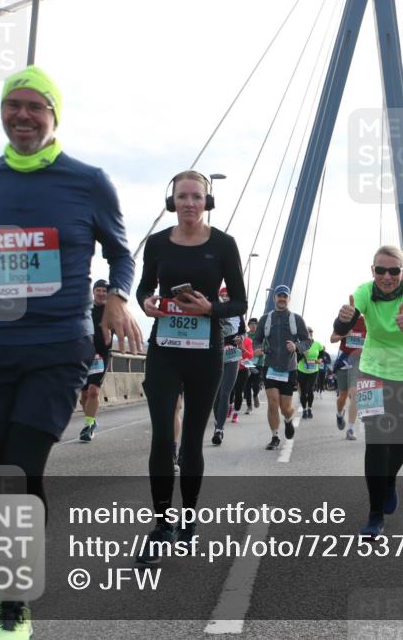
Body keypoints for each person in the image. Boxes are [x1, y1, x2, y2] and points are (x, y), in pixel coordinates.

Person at [0, 65, 143, 640]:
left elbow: (122, 254)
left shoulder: (88, 181)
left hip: (57, 348)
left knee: (20, 469)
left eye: (35, 107)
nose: (22, 115)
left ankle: (14, 601)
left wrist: (117, 299)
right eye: (12, 105)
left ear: (54, 116)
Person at [135, 169, 246, 561]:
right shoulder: (157, 243)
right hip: (164, 348)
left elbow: (239, 303)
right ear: (172, 201)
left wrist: (210, 308)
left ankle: (188, 519)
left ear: (207, 201)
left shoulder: (224, 245)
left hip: (205, 353)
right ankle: (161, 525)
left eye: (196, 197)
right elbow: (144, 287)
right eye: (182, 197)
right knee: (163, 438)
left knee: (192, 442)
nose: (188, 203)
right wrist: (146, 302)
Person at [334, 245, 403, 537]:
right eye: (380, 270)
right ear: (372, 271)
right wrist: (344, 317)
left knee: (402, 439)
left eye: (393, 271)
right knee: (376, 442)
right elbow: (340, 325)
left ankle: (389, 481)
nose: (386, 276)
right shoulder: (364, 291)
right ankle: (375, 515)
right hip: (373, 370)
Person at [251, 285, 311, 450]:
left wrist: (296, 346)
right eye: (279, 296)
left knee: (286, 408)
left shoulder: (296, 319)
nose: (282, 299)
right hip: (270, 367)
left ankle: (288, 420)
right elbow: (257, 339)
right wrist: (257, 348)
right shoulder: (265, 319)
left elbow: (307, 342)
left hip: (288, 368)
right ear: (274, 298)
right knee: (272, 402)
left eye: (285, 296)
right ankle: (275, 436)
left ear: (289, 299)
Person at [210, 286, 246, 445]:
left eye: (227, 295)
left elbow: (243, 332)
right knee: (215, 395)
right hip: (215, 355)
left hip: (232, 355)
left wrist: (241, 339)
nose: (224, 297)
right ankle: (218, 420)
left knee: (225, 392)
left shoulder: (238, 314)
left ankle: (219, 429)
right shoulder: (215, 310)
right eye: (222, 295)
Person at [79, 279, 112, 442]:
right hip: (83, 355)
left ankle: (89, 425)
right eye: (98, 290)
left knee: (93, 391)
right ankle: (91, 420)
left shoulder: (112, 310)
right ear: (93, 292)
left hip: (101, 355)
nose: (101, 293)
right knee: (84, 394)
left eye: (104, 290)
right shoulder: (85, 308)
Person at [330, 313, 367, 440]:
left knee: (354, 394)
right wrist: (345, 334)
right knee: (343, 396)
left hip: (358, 361)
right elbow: (332, 338)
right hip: (344, 361)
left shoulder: (368, 321)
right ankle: (340, 414)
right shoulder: (344, 320)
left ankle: (350, 429)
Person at [297, 327, 324, 418]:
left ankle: (310, 409)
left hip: (313, 370)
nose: (309, 333)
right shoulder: (300, 344)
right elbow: (296, 359)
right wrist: (302, 354)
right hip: (302, 370)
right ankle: (304, 410)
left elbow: (321, 352)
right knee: (303, 391)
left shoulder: (317, 344)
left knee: (310, 389)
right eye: (307, 332)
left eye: (310, 331)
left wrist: (320, 359)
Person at [231, 327, 255, 418]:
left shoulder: (248, 341)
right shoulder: (230, 339)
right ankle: (229, 406)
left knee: (238, 391)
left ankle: (236, 413)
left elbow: (250, 355)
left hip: (242, 369)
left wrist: (243, 349)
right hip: (230, 368)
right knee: (229, 391)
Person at [243, 317, 264, 413]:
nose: (254, 326)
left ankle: (255, 395)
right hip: (247, 363)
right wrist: (251, 353)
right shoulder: (245, 336)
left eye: (255, 324)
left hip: (258, 363)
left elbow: (266, 348)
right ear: (249, 326)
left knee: (256, 385)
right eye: (251, 324)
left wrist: (262, 352)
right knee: (246, 385)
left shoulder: (261, 336)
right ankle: (249, 406)